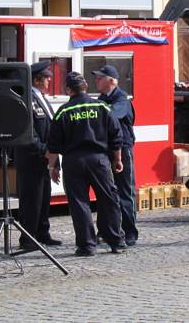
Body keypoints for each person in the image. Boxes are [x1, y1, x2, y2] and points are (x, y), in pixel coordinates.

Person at [47, 72, 125, 257]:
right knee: (109, 199)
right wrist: (118, 159)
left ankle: (87, 246)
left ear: (68, 90)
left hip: (73, 162)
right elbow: (116, 136)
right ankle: (116, 241)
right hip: (99, 160)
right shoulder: (102, 106)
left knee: (79, 203)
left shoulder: (64, 111)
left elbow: (53, 145)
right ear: (86, 87)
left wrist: (53, 167)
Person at [16, 61, 61, 250]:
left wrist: (53, 156)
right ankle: (28, 238)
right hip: (31, 158)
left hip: (43, 158)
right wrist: (46, 151)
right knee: (31, 201)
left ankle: (42, 233)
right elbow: (28, 134)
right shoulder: (26, 99)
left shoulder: (40, 97)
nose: (50, 80)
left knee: (43, 198)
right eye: (47, 77)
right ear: (36, 79)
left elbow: (48, 127)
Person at [92, 64, 138, 247]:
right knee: (105, 193)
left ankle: (130, 232)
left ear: (111, 81)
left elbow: (111, 116)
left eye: (99, 78)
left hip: (122, 149)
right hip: (104, 149)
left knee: (125, 192)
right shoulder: (102, 98)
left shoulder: (121, 99)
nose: (96, 81)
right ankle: (105, 231)